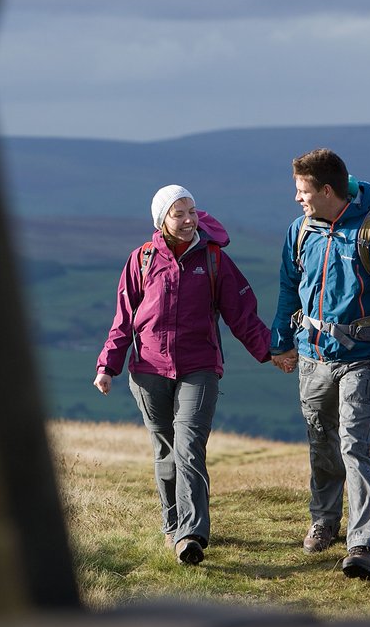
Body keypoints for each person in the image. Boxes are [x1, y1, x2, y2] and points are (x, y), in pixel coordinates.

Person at [94, 185, 274, 565]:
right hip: (148, 371)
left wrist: (270, 350)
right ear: (162, 220)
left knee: (189, 446)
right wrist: (107, 365)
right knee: (166, 452)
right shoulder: (141, 260)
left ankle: (191, 534)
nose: (189, 219)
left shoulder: (213, 260)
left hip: (200, 367)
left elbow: (242, 312)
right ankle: (172, 526)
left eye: (193, 211)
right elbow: (124, 319)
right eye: (180, 213)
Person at [267, 149, 370, 581]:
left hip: (363, 359)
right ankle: (325, 521)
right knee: (321, 441)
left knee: (353, 444)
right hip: (311, 356)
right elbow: (287, 289)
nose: (297, 198)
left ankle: (362, 544)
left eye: (302, 191)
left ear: (326, 190)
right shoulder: (299, 232)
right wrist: (281, 342)